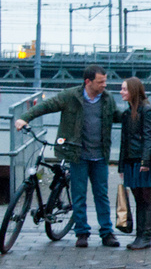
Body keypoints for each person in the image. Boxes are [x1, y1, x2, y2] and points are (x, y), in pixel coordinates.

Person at [15, 65, 122, 248]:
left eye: (105, 81)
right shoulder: (70, 96)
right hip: (77, 154)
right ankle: (82, 233)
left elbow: (117, 116)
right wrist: (25, 118)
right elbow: (47, 105)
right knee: (79, 195)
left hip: (100, 155)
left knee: (101, 195)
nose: (104, 85)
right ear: (88, 82)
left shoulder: (107, 99)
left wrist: (136, 111)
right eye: (100, 81)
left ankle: (107, 233)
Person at [117, 77, 151, 250]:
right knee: (139, 200)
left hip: (143, 162)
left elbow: (148, 137)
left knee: (147, 198)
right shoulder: (128, 113)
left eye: (124, 89)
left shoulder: (146, 110)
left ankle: (145, 237)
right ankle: (140, 236)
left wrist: (145, 161)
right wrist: (121, 165)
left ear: (133, 91)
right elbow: (124, 140)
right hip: (131, 161)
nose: (121, 92)